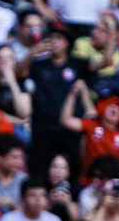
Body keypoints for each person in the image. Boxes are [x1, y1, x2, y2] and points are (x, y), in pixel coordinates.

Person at [28, 22, 88, 179]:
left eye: (59, 38)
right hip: (43, 128)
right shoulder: (39, 64)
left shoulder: (78, 64)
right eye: (52, 38)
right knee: (40, 171)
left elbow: (105, 61)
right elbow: (19, 72)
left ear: (67, 43)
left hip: (70, 129)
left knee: (72, 169)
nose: (54, 41)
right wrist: (32, 53)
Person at [60, 80, 119, 185]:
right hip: (89, 182)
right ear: (101, 108)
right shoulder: (92, 125)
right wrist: (72, 95)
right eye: (110, 104)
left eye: (118, 106)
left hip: (114, 185)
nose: (114, 108)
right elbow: (66, 120)